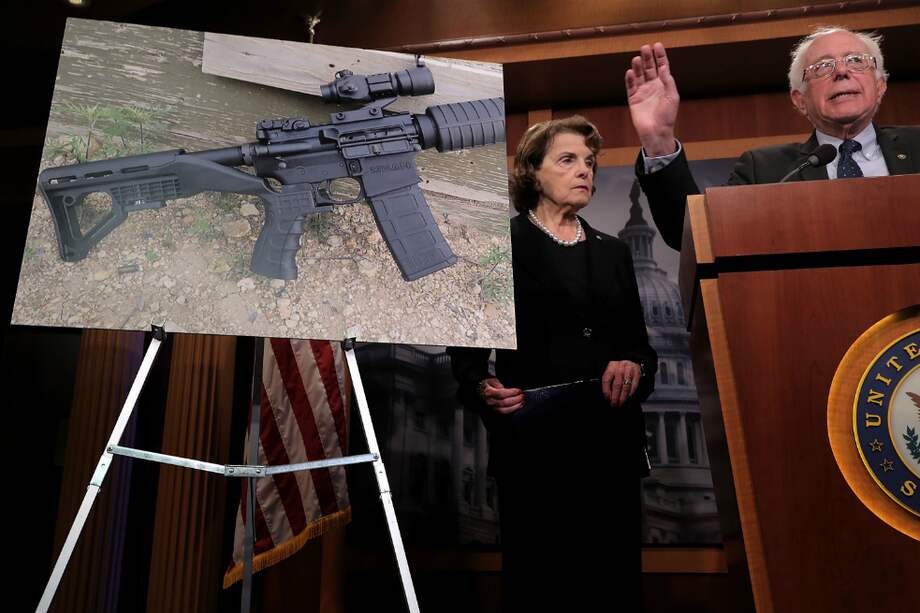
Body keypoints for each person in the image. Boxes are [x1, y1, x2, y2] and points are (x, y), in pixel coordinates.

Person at [447, 116, 657, 612]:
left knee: (615, 587)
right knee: (541, 587)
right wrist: (484, 389)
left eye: (590, 162)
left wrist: (633, 366)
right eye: (568, 160)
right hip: (535, 450)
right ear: (532, 171)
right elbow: (467, 361)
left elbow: (643, 351)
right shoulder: (495, 248)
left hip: (611, 448)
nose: (585, 170)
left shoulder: (615, 252)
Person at [625, 26, 920, 250]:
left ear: (880, 86)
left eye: (856, 60)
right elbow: (693, 237)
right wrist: (659, 140)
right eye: (822, 67)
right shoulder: (765, 169)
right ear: (799, 99)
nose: (842, 71)